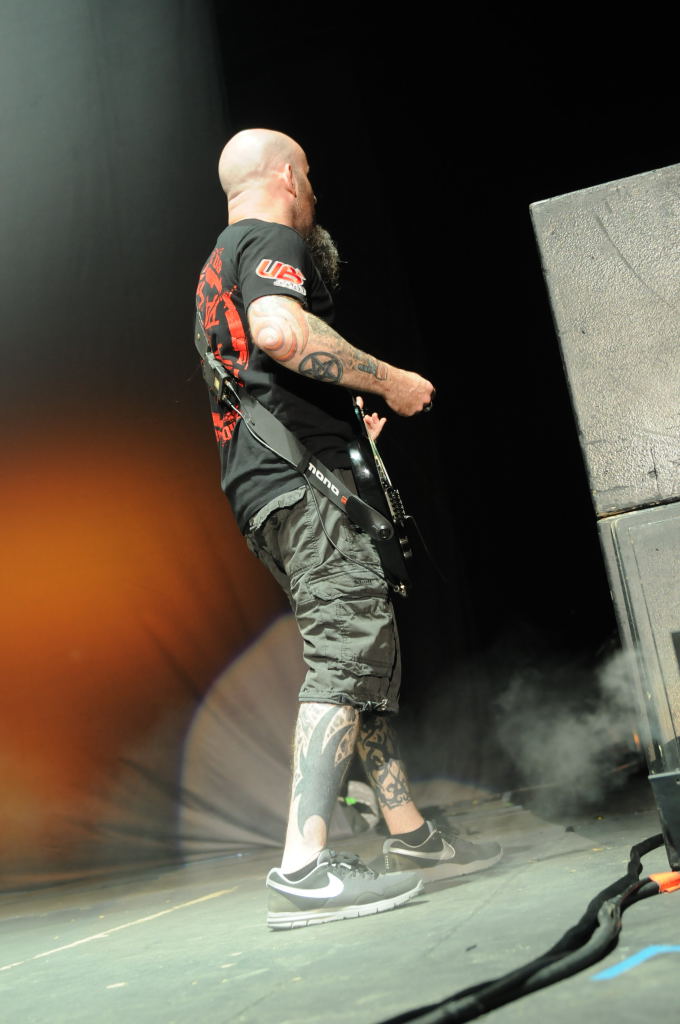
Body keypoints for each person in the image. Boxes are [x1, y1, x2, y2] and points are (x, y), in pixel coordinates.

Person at [195, 128, 501, 929]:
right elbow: (283, 334)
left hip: (272, 488)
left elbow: (257, 375)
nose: (314, 191)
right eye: (310, 176)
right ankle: (303, 867)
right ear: (288, 176)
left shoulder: (220, 262)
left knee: (360, 657)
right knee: (347, 651)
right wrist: (391, 381)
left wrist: (340, 426)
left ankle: (410, 834)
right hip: (302, 491)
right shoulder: (270, 238)